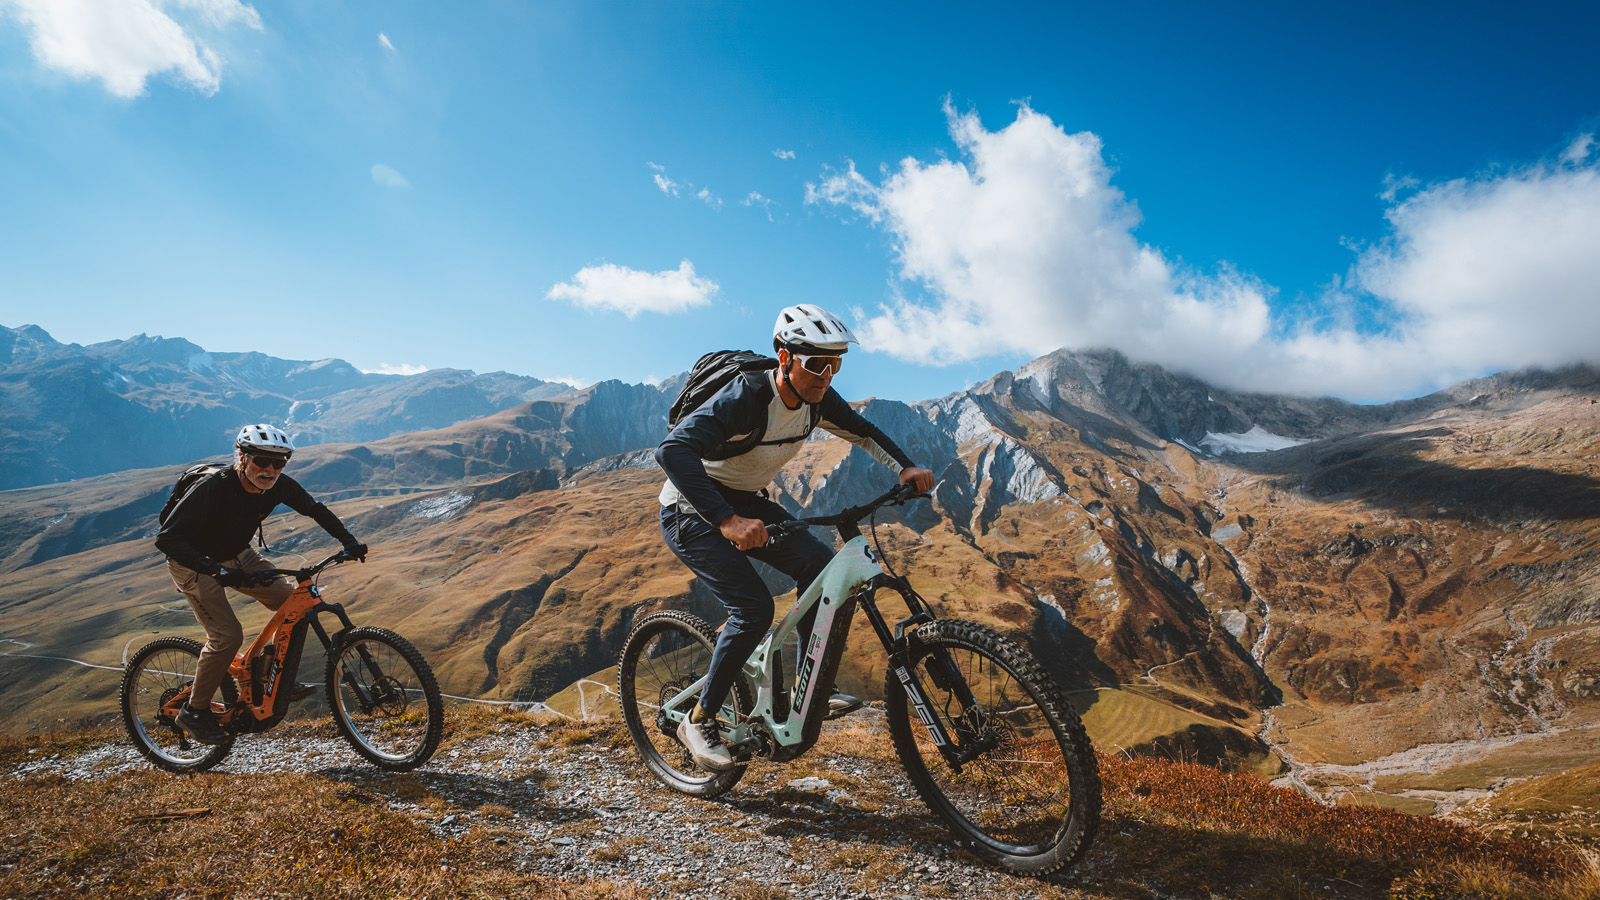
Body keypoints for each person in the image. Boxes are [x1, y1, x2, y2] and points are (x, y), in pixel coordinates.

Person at [655, 304, 936, 771]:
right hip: (690, 509)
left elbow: (862, 431)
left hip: (745, 501)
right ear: (783, 358)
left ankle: (809, 688)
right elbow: (673, 451)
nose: (826, 375)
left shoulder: (819, 400)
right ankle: (699, 719)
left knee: (821, 569)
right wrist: (726, 520)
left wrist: (904, 466)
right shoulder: (745, 396)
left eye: (836, 363)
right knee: (752, 609)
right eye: (815, 364)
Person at [154, 423, 367, 744]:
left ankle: (272, 679)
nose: (270, 469)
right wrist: (215, 570)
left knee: (295, 607)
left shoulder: (279, 485)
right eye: (262, 461)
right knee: (227, 637)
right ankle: (194, 711)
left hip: (239, 555)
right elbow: (168, 538)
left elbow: (316, 510)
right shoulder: (214, 486)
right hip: (193, 563)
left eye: (279, 462)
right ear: (242, 457)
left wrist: (349, 541)